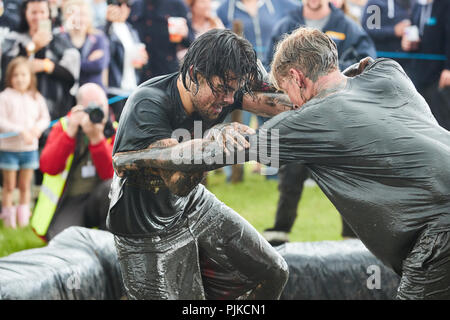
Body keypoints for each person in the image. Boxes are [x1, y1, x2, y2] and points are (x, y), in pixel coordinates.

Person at [128, 27, 450, 300]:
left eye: (286, 91)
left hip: (438, 233)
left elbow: (218, 155)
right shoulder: (388, 72)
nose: (290, 105)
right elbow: (359, 72)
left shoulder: (306, 122)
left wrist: (133, 158)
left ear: (296, 77)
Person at [108, 29, 294, 300]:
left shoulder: (225, 88)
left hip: (193, 205)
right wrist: (211, 143)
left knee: (272, 271)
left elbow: (288, 103)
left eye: (234, 91)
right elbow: (178, 183)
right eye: (221, 90)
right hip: (144, 226)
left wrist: (343, 85)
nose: (229, 100)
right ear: (195, 75)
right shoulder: (149, 103)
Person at [263, 0, 376, 245]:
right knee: (290, 177)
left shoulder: (348, 26)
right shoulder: (286, 25)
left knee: (348, 179)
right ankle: (278, 235)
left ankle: (352, 239)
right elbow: (268, 71)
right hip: (298, 118)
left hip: (339, 125)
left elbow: (368, 65)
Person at [31, 83, 116, 241]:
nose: (97, 113)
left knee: (113, 188)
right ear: (79, 108)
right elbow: (48, 167)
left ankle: (107, 243)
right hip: (71, 200)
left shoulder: (114, 130)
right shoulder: (64, 126)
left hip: (98, 198)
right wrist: (70, 133)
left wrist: (97, 139)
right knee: (62, 243)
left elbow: (112, 175)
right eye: (91, 108)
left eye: (101, 106)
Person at [1, 0, 80, 121]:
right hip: (20, 115)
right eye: (33, 12)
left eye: (42, 12)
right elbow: (8, 71)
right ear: (25, 13)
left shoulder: (60, 40)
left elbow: (71, 77)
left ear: (49, 13)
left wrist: (46, 66)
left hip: (56, 109)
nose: (38, 17)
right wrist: (33, 47)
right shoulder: (14, 39)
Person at [0, 57, 50, 228]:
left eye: (23, 75)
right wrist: (21, 130)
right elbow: (2, 121)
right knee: (9, 186)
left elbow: (45, 118)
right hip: (9, 150)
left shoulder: (36, 97)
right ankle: (8, 222)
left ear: (30, 77)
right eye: (16, 75)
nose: (20, 79)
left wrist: (37, 129)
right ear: (10, 78)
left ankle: (23, 221)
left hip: (29, 149)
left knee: (24, 186)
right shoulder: (4, 97)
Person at [401, 0, 450, 130]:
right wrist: (407, 42)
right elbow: (413, 30)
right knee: (422, 121)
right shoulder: (417, 5)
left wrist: (448, 68)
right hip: (419, 74)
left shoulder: (445, 4)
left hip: (440, 76)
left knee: (442, 121)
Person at [127, 0, 195, 80]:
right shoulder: (135, 4)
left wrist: (185, 33)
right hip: (140, 74)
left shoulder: (177, 4)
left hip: (166, 73)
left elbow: (191, 42)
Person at [105, 0, 148, 120]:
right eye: (119, 4)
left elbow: (139, 55)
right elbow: (107, 53)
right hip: (114, 91)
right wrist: (107, 23)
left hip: (132, 89)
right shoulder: (106, 29)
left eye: (128, 5)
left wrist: (144, 59)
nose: (124, 8)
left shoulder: (131, 30)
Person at [61, 0, 110, 90]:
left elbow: (99, 65)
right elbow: (60, 68)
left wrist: (72, 63)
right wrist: (87, 61)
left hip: (93, 93)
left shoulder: (99, 38)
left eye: (83, 14)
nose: (79, 19)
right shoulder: (61, 38)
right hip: (67, 94)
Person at [361, 0, 413, 69]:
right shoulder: (375, 3)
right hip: (380, 61)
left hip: (404, 61)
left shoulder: (407, 3)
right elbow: (368, 30)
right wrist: (393, 31)